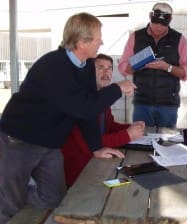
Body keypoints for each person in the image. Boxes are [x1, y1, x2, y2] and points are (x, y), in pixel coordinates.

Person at [0, 12, 136, 223]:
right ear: (82, 42)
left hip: (50, 144)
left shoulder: (86, 67)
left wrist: (96, 148)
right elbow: (83, 106)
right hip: (19, 140)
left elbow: (87, 114)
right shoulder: (53, 66)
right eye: (99, 37)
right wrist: (117, 88)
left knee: (53, 199)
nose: (102, 41)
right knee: (9, 204)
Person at [61, 53, 145, 187]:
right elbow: (88, 142)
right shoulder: (82, 99)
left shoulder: (102, 97)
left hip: (97, 161)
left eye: (109, 68)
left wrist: (131, 127)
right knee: (126, 186)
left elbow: (109, 126)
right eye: (100, 67)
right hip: (79, 170)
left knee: (134, 181)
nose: (106, 72)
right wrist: (127, 135)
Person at [118, 2, 187, 129]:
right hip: (141, 102)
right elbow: (123, 67)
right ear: (150, 17)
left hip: (168, 104)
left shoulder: (179, 39)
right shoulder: (136, 37)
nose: (158, 27)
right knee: (141, 141)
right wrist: (140, 64)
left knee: (165, 142)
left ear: (170, 21)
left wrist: (167, 67)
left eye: (163, 24)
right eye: (155, 22)